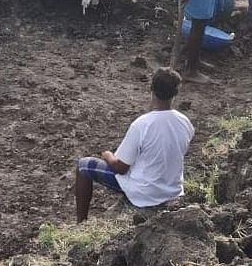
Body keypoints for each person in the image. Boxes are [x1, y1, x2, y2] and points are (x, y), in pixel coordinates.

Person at [74, 68, 194, 222]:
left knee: (84, 166)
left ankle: (81, 222)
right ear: (176, 93)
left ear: (151, 89)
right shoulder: (185, 122)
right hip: (172, 191)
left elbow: (120, 168)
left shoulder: (142, 124)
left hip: (145, 193)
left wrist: (107, 156)